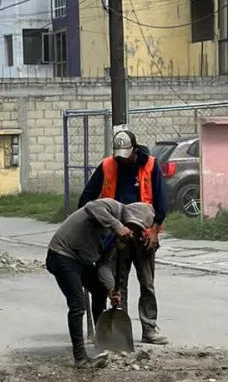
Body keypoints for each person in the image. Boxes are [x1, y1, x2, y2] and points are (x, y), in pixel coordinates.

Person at [79, 129, 168, 345]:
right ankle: (121, 331)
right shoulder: (108, 165)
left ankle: (149, 328)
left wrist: (154, 231)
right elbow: (87, 199)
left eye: (126, 156)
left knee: (147, 283)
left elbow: (161, 202)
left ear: (135, 150)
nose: (122, 160)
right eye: (119, 156)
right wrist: (95, 227)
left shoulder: (151, 165)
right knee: (119, 283)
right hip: (117, 234)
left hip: (144, 233)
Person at [47, 199, 155, 368]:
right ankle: (80, 358)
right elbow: (91, 207)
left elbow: (103, 265)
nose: (132, 232)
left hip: (83, 262)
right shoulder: (113, 207)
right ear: (130, 218)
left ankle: (102, 341)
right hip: (62, 255)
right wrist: (116, 225)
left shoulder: (116, 239)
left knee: (99, 291)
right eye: (134, 227)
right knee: (78, 305)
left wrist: (110, 288)